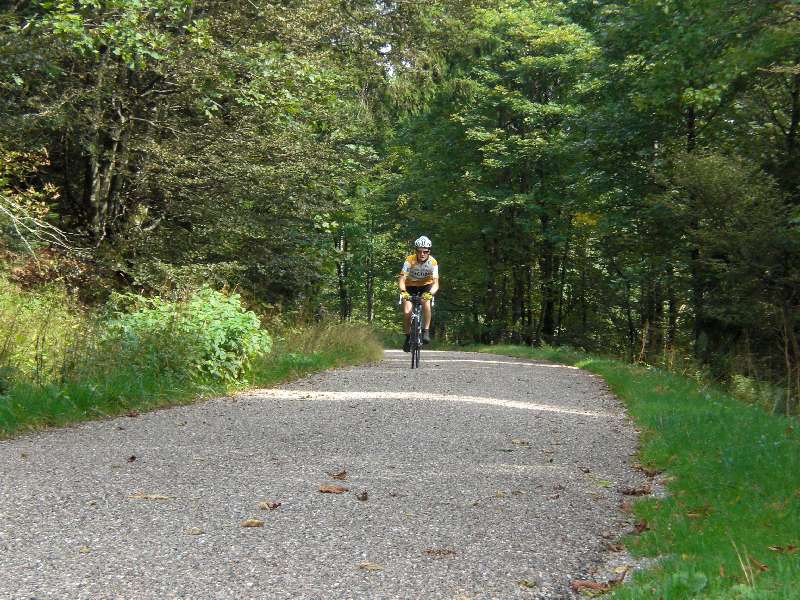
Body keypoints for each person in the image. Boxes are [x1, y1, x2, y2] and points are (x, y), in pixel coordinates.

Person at [399, 235, 439, 352]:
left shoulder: (433, 262)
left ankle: (426, 331)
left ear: (429, 251)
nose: (422, 254)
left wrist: (430, 293)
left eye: (425, 252)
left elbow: (436, 283)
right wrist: (403, 292)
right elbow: (401, 279)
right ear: (415, 251)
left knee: (426, 302)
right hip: (410, 286)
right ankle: (407, 337)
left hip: (426, 286)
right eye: (419, 251)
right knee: (407, 312)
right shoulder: (409, 260)